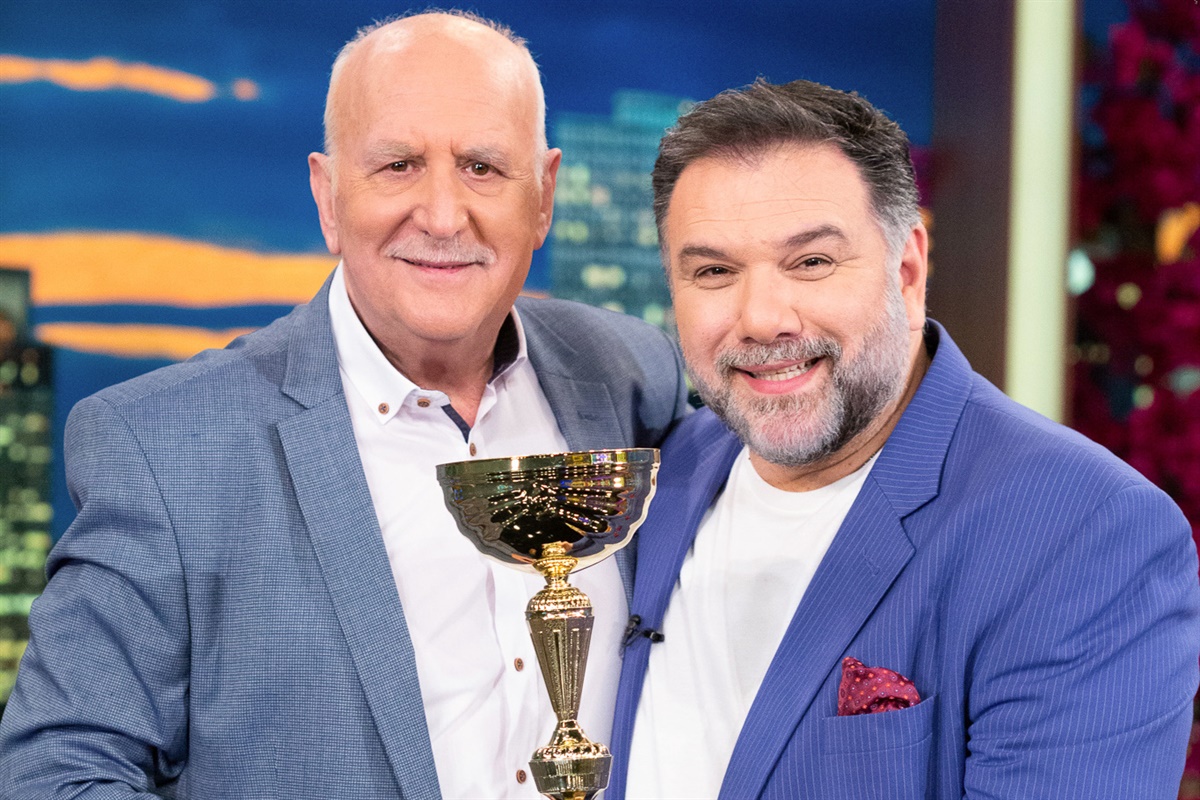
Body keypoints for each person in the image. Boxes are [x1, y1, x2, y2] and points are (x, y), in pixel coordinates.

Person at [0, 11, 688, 799]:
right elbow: (57, 774)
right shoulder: (163, 448)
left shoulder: (631, 374)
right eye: (398, 165)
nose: (442, 215)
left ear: (544, 196)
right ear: (328, 198)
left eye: (483, 167)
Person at [607, 78, 1200, 800]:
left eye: (812, 262)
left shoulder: (1088, 534)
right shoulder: (664, 470)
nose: (761, 318)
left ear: (908, 272)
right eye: (713, 271)